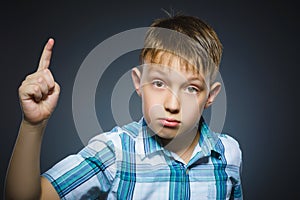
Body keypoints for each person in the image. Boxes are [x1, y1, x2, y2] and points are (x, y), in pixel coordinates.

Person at [5, 14, 243, 199]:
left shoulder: (228, 153)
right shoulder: (114, 152)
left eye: (191, 88)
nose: (172, 105)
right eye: (159, 83)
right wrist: (32, 125)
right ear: (138, 83)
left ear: (210, 96)